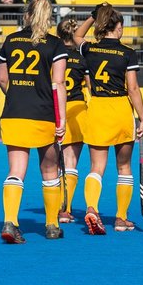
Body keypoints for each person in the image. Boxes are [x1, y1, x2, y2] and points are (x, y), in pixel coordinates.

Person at [0, 0, 68, 243]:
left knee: (16, 170)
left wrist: (17, 95)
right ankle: (51, 225)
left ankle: (10, 221)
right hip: (44, 114)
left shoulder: (10, 40)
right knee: (49, 170)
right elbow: (58, 84)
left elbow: (3, 80)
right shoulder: (55, 44)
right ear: (48, 18)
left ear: (26, 15)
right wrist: (62, 120)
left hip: (14, 112)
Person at [79, 4, 143, 234]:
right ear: (117, 27)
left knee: (96, 167)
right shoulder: (127, 53)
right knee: (124, 167)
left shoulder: (90, 49)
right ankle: (121, 218)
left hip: (97, 107)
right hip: (119, 109)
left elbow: (76, 35)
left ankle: (92, 207)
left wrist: (93, 15)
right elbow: (133, 88)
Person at [55, 13, 94, 225]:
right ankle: (66, 209)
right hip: (78, 109)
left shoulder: (53, 56)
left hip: (55, 110)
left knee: (55, 164)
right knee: (71, 162)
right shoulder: (82, 58)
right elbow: (90, 86)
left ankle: (56, 206)